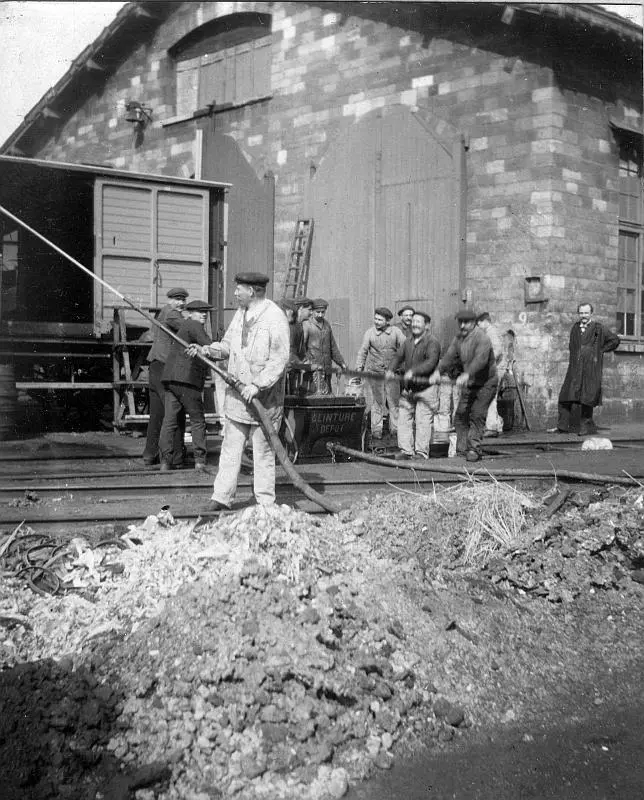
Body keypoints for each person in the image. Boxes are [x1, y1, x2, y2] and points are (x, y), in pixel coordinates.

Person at [196, 272, 290, 512]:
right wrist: (208, 350)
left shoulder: (274, 318)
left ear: (253, 291)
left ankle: (265, 502)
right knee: (230, 449)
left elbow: (279, 360)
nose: (235, 293)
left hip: (264, 402)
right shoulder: (241, 314)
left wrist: (257, 385)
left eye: (240, 289)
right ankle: (222, 496)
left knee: (263, 452)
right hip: (237, 399)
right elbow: (228, 345)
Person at [429, 309, 497, 462]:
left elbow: (480, 360)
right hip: (470, 383)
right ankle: (461, 450)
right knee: (460, 416)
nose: (463, 325)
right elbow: (449, 357)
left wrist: (467, 374)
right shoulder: (458, 338)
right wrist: (438, 371)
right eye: (460, 322)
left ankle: (474, 449)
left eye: (466, 322)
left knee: (477, 414)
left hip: (486, 383)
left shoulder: (482, 338)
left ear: (473, 323)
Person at [159, 300, 213, 472]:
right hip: (187, 380)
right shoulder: (194, 325)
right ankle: (200, 461)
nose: (203, 314)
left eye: (205, 312)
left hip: (170, 379)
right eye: (199, 312)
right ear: (190, 313)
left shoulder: (185, 327)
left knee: (169, 421)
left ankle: (165, 462)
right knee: (197, 420)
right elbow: (209, 346)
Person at [553, 302, 619, 435]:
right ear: (579, 314)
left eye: (586, 313)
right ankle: (562, 427)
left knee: (587, 397)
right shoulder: (575, 328)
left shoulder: (598, 328)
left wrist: (600, 351)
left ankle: (585, 428)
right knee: (565, 396)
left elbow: (614, 340)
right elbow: (573, 347)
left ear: (591, 314)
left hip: (590, 369)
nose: (583, 315)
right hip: (575, 368)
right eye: (581, 313)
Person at [142, 287, 188, 466]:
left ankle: (150, 454)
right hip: (165, 368)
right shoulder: (171, 313)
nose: (181, 303)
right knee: (175, 412)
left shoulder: (164, 312)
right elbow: (187, 328)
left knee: (157, 414)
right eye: (177, 299)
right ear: (169, 300)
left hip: (156, 366)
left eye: (183, 300)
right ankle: (175, 457)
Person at [387, 311, 441, 459]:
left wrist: (413, 371)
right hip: (409, 388)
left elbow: (431, 363)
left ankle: (421, 453)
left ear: (427, 325)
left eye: (419, 322)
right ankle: (406, 451)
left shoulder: (432, 342)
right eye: (414, 321)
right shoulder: (408, 341)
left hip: (426, 389)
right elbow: (398, 356)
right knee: (403, 419)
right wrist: (391, 370)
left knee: (423, 421)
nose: (415, 324)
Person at [355, 306, 406, 440]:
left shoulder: (396, 332)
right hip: (375, 374)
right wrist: (359, 368)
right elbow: (363, 351)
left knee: (394, 403)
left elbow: (406, 349)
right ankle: (376, 430)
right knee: (377, 403)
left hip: (392, 374)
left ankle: (395, 430)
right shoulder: (369, 333)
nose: (376, 322)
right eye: (375, 318)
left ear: (388, 321)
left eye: (380, 319)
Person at [302, 298, 347, 394]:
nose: (320, 315)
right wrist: (307, 362)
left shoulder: (327, 325)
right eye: (317, 312)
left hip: (327, 369)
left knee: (327, 396)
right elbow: (302, 348)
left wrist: (341, 362)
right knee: (313, 396)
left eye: (323, 312)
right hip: (313, 371)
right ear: (312, 311)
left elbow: (333, 347)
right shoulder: (307, 325)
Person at [476, 312, 504, 437]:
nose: (478, 326)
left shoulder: (491, 332)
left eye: (479, 323)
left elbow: (497, 351)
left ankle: (492, 427)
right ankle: (496, 425)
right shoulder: (491, 332)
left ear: (485, 321)